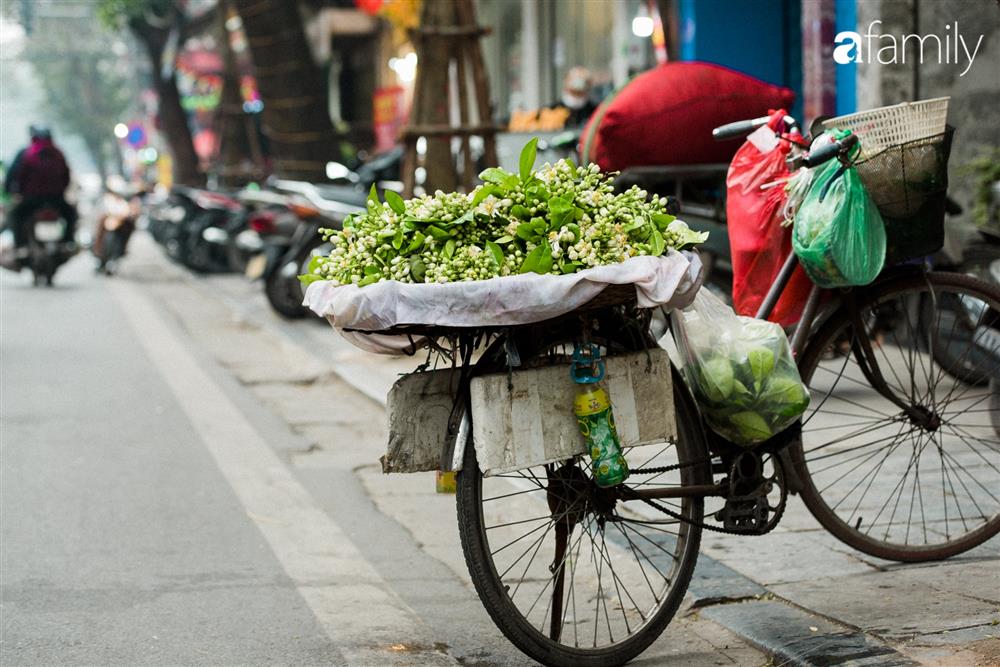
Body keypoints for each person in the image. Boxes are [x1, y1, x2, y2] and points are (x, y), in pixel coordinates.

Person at [3, 125, 77, 254]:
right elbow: (66, 176)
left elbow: (16, 175)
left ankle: (21, 246)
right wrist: (61, 191)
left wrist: (14, 191)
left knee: (14, 215)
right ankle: (68, 241)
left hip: (31, 200)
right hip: (56, 199)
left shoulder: (26, 153)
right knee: (71, 214)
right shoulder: (58, 153)